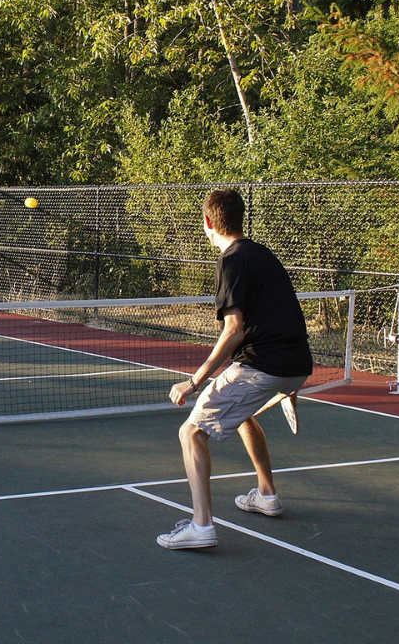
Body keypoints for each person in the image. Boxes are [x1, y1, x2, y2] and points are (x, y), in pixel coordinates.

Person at [156, 189, 313, 550]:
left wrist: (194, 382)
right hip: (297, 364)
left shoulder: (230, 260)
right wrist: (289, 381)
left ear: (208, 222)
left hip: (263, 365)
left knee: (192, 433)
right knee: (242, 415)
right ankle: (267, 494)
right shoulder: (263, 254)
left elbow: (233, 330)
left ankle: (201, 526)